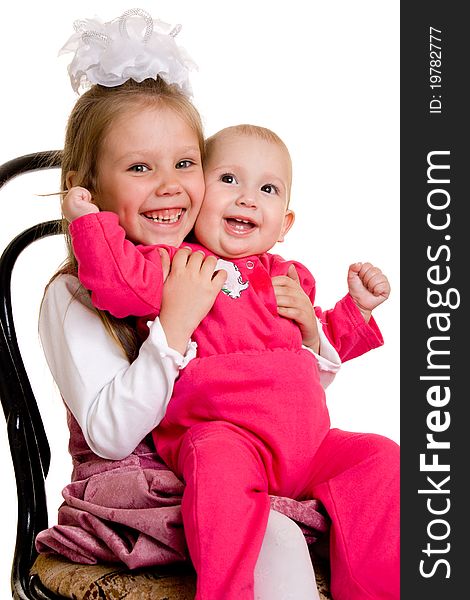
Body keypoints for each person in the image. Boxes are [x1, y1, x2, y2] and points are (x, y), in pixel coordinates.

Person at [36, 9, 342, 600]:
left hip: (235, 473)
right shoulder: (71, 294)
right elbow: (112, 435)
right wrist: (174, 323)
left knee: (363, 496)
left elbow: (267, 393)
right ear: (87, 187)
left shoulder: (207, 265)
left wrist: (306, 332)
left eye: (185, 163)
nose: (170, 185)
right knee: (270, 540)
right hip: (141, 500)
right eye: (139, 168)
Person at [62, 114, 399, 600]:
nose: (246, 198)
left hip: (309, 446)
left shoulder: (290, 277)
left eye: (268, 189)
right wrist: (89, 222)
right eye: (228, 180)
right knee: (218, 471)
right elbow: (115, 282)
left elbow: (322, 345)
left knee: (382, 458)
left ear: (284, 224)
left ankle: (379, 591)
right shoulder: (178, 265)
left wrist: (354, 310)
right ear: (198, 195)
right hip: (228, 437)